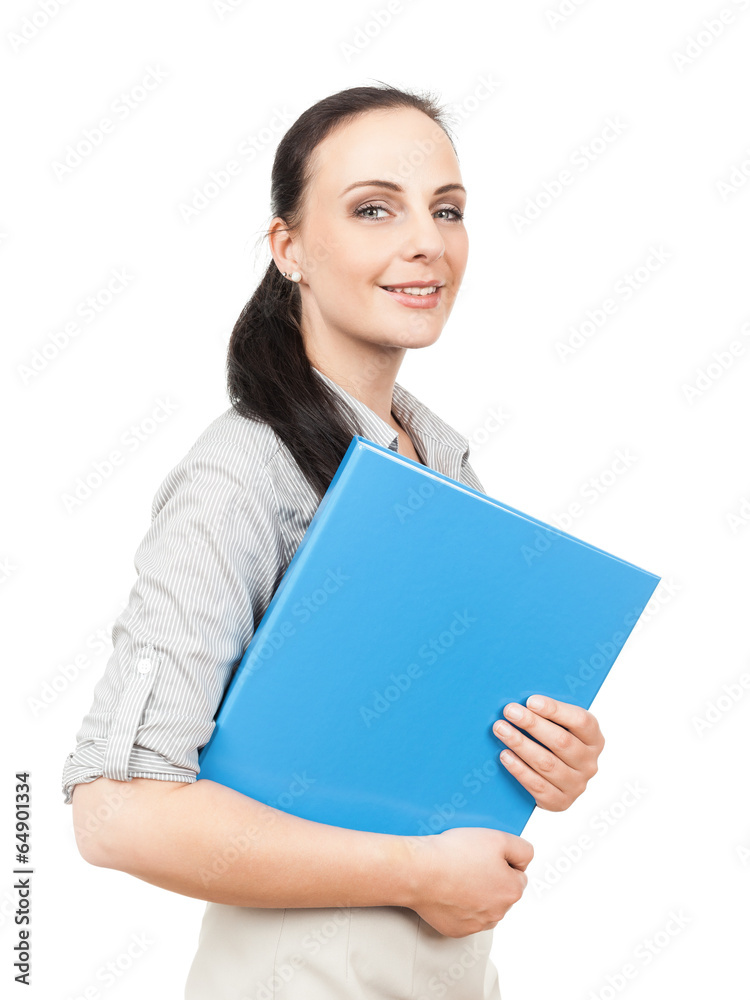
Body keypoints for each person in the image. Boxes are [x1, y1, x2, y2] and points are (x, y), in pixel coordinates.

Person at [64, 83, 605, 999]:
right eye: (373, 209)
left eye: (446, 210)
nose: (427, 241)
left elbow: (411, 756)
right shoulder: (244, 473)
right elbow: (115, 815)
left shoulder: (440, 463)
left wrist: (544, 757)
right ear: (289, 249)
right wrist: (417, 873)